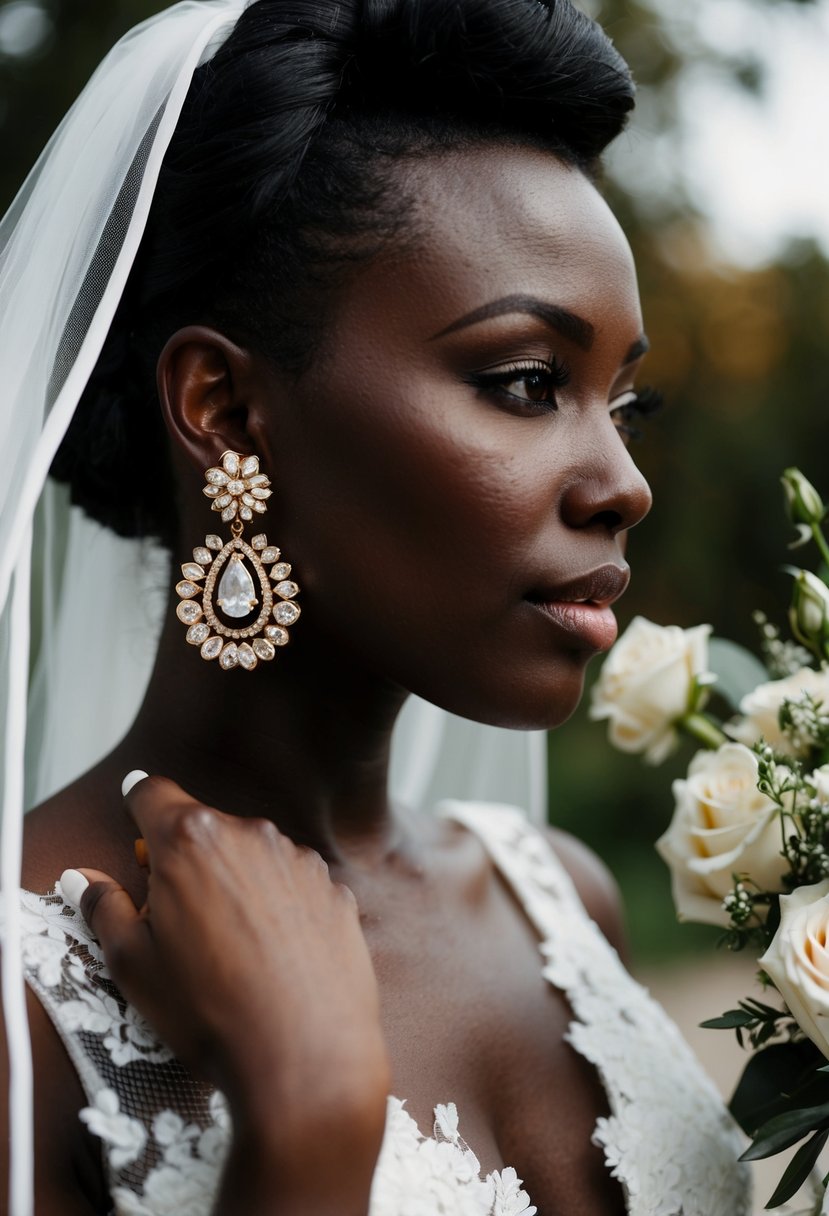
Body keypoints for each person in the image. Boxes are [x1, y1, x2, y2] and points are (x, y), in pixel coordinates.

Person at [0, 1, 751, 1213]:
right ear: (227, 411)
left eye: (624, 404)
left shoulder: (562, 898)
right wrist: (306, 1116)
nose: (624, 484)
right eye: (525, 382)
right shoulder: (26, 984)